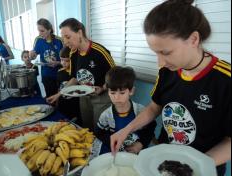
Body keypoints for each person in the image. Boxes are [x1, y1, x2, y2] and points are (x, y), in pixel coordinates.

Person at [110, 1, 231, 175]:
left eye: (166, 53)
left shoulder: (225, 81)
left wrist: (195, 165)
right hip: (163, 160)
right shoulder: (168, 71)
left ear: (193, 39)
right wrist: (126, 129)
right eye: (156, 53)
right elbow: (154, 107)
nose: (160, 62)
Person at [47, 18, 116, 130]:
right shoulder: (73, 53)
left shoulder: (100, 51)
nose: (65, 41)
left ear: (79, 32)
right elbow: (75, 78)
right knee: (87, 128)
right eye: (63, 37)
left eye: (68, 37)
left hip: (101, 98)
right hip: (84, 97)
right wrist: (58, 94)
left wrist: (102, 88)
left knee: (100, 131)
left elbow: (116, 77)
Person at [95, 66, 156, 154]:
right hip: (118, 154)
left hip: (139, 152)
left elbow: (150, 128)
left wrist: (141, 143)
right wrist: (112, 143)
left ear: (131, 91)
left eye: (122, 93)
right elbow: (99, 132)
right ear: (108, 92)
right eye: (112, 93)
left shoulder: (141, 111)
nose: (117, 97)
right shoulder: (106, 115)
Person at [29, 18, 63, 97]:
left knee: (60, 98)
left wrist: (58, 63)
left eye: (42, 31)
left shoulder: (59, 41)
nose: (40, 33)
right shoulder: (38, 40)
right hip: (46, 74)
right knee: (50, 97)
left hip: (59, 74)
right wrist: (31, 55)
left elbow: (67, 60)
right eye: (38, 30)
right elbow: (33, 56)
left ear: (49, 30)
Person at [56, 47, 81, 124]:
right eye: (61, 60)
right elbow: (58, 89)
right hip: (63, 104)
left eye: (67, 61)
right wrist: (57, 102)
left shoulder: (77, 74)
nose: (63, 63)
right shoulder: (59, 72)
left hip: (75, 106)